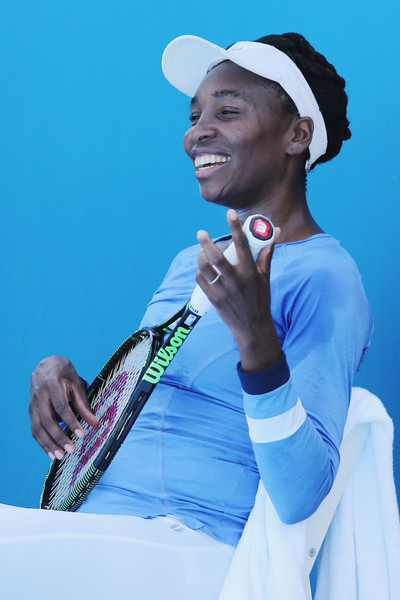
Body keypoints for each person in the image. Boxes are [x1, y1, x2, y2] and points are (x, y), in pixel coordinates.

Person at [28, 32, 372, 596]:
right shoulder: (192, 261)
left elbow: (303, 493)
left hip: (195, 549)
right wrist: (60, 374)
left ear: (297, 134)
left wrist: (259, 345)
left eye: (228, 111)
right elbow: (151, 397)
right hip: (94, 532)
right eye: (195, 116)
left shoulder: (325, 277)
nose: (197, 132)